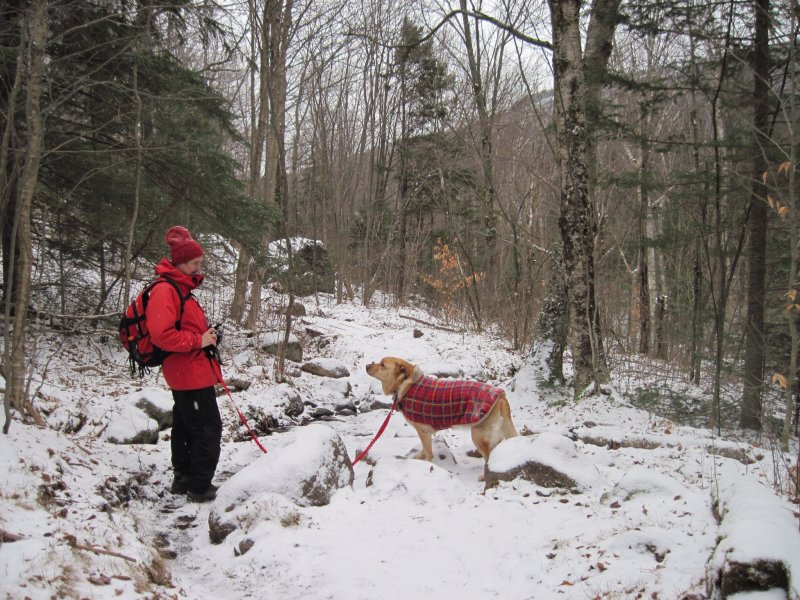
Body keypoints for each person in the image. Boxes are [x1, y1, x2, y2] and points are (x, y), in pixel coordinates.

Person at [147, 225, 222, 503]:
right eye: (195, 263)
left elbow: (185, 328)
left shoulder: (179, 288)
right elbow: (162, 334)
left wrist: (208, 337)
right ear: (180, 262)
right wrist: (198, 341)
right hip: (188, 373)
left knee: (185, 426)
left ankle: (184, 479)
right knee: (207, 429)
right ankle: (199, 486)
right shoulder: (166, 290)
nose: (198, 268)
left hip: (190, 371)